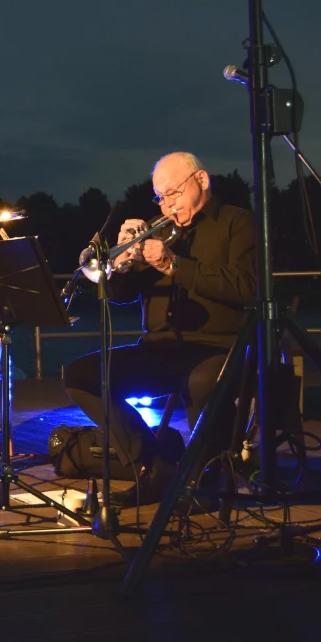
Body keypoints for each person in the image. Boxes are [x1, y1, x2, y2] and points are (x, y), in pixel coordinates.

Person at [63, 152, 256, 506]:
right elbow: (119, 297)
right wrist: (122, 263)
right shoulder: (157, 226)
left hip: (220, 346)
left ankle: (202, 483)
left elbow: (246, 285)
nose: (166, 204)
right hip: (160, 348)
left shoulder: (238, 223)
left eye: (173, 193)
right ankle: (155, 465)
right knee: (81, 375)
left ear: (202, 180)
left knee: (202, 383)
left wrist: (172, 263)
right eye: (160, 196)